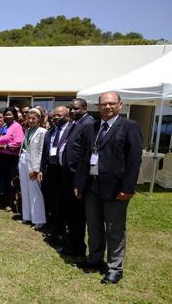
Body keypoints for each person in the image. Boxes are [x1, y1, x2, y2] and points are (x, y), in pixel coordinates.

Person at [75, 92, 142, 284]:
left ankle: (115, 268)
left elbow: (134, 161)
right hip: (92, 186)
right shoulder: (92, 127)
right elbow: (84, 157)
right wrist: (79, 184)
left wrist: (128, 188)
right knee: (94, 225)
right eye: (103, 104)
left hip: (116, 189)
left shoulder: (130, 127)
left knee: (114, 229)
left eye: (112, 103)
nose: (107, 107)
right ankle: (95, 259)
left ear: (120, 105)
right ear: (98, 105)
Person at [57, 98, 95, 257]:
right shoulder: (76, 123)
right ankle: (72, 242)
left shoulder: (88, 124)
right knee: (70, 213)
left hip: (77, 177)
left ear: (85, 108)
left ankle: (77, 247)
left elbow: (86, 155)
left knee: (77, 215)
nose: (72, 112)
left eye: (76, 109)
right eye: (71, 109)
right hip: (68, 174)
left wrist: (79, 182)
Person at [40, 106, 71, 246]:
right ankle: (54, 228)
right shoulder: (50, 132)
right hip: (50, 171)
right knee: (51, 201)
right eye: (54, 115)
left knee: (62, 204)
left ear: (67, 115)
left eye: (59, 115)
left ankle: (62, 232)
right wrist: (41, 169)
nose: (56, 117)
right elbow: (44, 153)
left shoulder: (72, 130)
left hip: (64, 172)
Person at [18, 109, 47, 229]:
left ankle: (39, 219)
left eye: (33, 118)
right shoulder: (28, 130)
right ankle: (27, 216)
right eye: (29, 118)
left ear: (39, 119)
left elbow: (41, 151)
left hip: (33, 163)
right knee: (25, 189)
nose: (30, 120)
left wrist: (36, 168)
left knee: (35, 190)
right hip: (23, 159)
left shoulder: (42, 132)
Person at [0, 107, 24, 212]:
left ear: (14, 115)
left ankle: (11, 204)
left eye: (10, 114)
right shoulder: (6, 125)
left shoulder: (17, 126)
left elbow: (18, 142)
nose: (7, 116)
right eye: (6, 115)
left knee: (11, 180)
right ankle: (5, 201)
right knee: (4, 179)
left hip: (11, 157)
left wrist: (4, 147)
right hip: (2, 156)